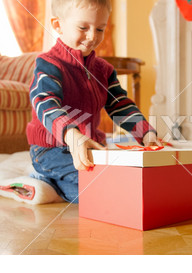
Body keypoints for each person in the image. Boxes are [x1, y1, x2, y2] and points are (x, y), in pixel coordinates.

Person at [26, 0, 160, 203]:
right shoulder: (48, 63)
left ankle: (59, 180)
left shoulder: (104, 70)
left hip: (91, 146)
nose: (92, 36)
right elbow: (45, 103)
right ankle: (45, 178)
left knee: (128, 177)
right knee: (102, 191)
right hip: (50, 150)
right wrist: (72, 136)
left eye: (100, 29)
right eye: (83, 27)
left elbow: (120, 104)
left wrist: (145, 132)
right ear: (57, 25)